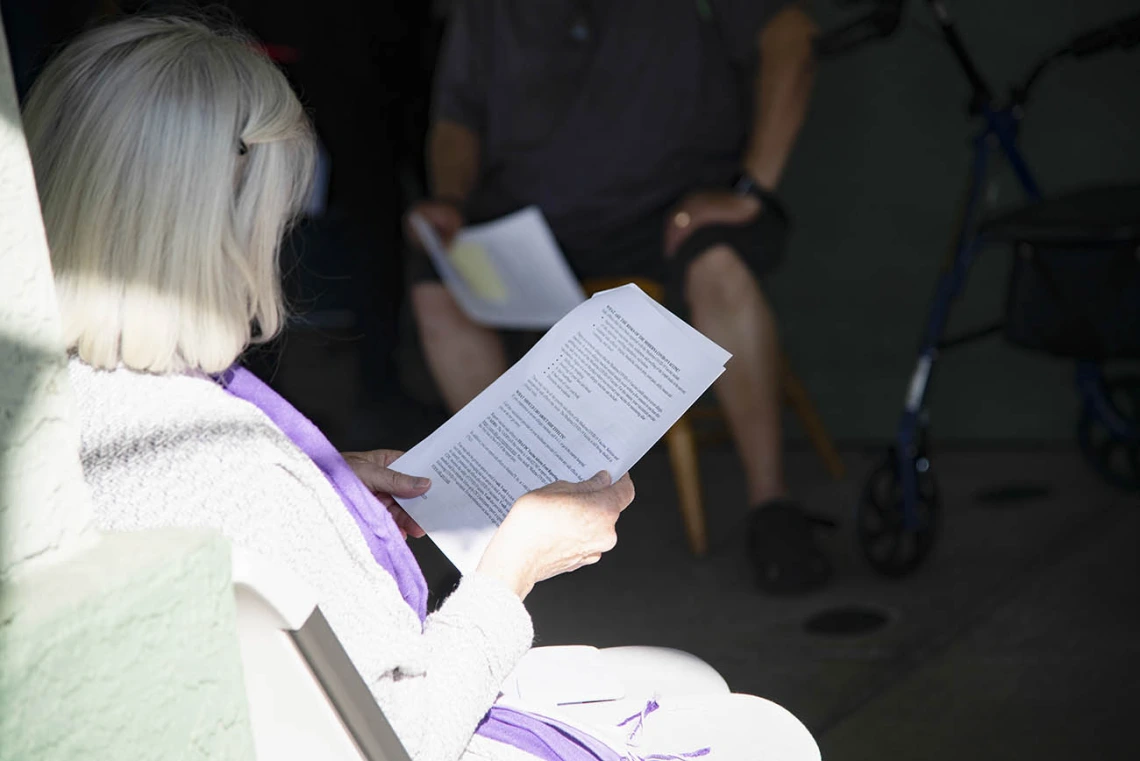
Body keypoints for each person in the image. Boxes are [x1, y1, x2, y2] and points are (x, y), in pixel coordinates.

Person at [25, 16, 818, 761]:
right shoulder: (238, 470)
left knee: (687, 684)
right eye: (279, 215)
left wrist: (323, 478)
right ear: (223, 229)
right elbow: (401, 734)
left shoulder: (43, 409)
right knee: (764, 732)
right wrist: (510, 570)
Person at [407, 0, 831, 595]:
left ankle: (772, 505)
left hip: (673, 209)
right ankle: (508, 510)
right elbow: (457, 120)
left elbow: (793, 37)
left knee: (719, 262)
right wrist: (450, 199)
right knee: (437, 274)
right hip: (535, 222)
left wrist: (751, 189)